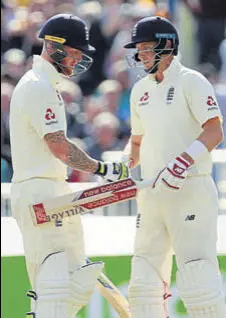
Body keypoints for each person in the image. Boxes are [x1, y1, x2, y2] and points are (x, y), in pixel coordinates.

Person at [9, 13, 129, 318]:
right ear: (54, 47)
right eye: (74, 52)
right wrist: (101, 169)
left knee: (77, 280)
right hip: (40, 193)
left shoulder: (45, 85)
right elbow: (59, 146)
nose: (77, 60)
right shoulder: (38, 86)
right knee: (56, 287)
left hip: (52, 191)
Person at [123, 16, 226, 318]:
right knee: (144, 283)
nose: (140, 56)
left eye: (145, 48)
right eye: (138, 50)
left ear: (166, 46)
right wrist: (124, 163)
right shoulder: (139, 89)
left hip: (189, 188)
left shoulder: (192, 81)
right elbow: (137, 142)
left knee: (197, 278)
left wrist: (180, 164)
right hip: (152, 194)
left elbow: (214, 130)